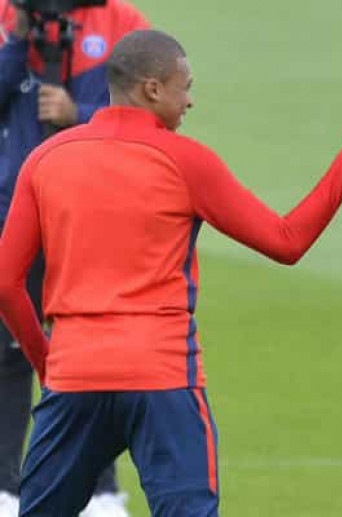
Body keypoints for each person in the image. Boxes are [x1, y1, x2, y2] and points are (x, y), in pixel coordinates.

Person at [0, 28, 342, 516]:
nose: (190, 100)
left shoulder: (45, 158)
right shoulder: (185, 160)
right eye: (184, 86)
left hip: (75, 373)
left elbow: (6, 283)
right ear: (152, 88)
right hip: (162, 376)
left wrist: (48, 365)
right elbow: (286, 241)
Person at [0, 1, 149, 516]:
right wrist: (18, 41)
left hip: (90, 215)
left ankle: (100, 491)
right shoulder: (7, 19)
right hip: (15, 212)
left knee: (88, 349)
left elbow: (146, 113)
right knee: (8, 352)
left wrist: (77, 115)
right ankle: (5, 489)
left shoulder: (122, 23)